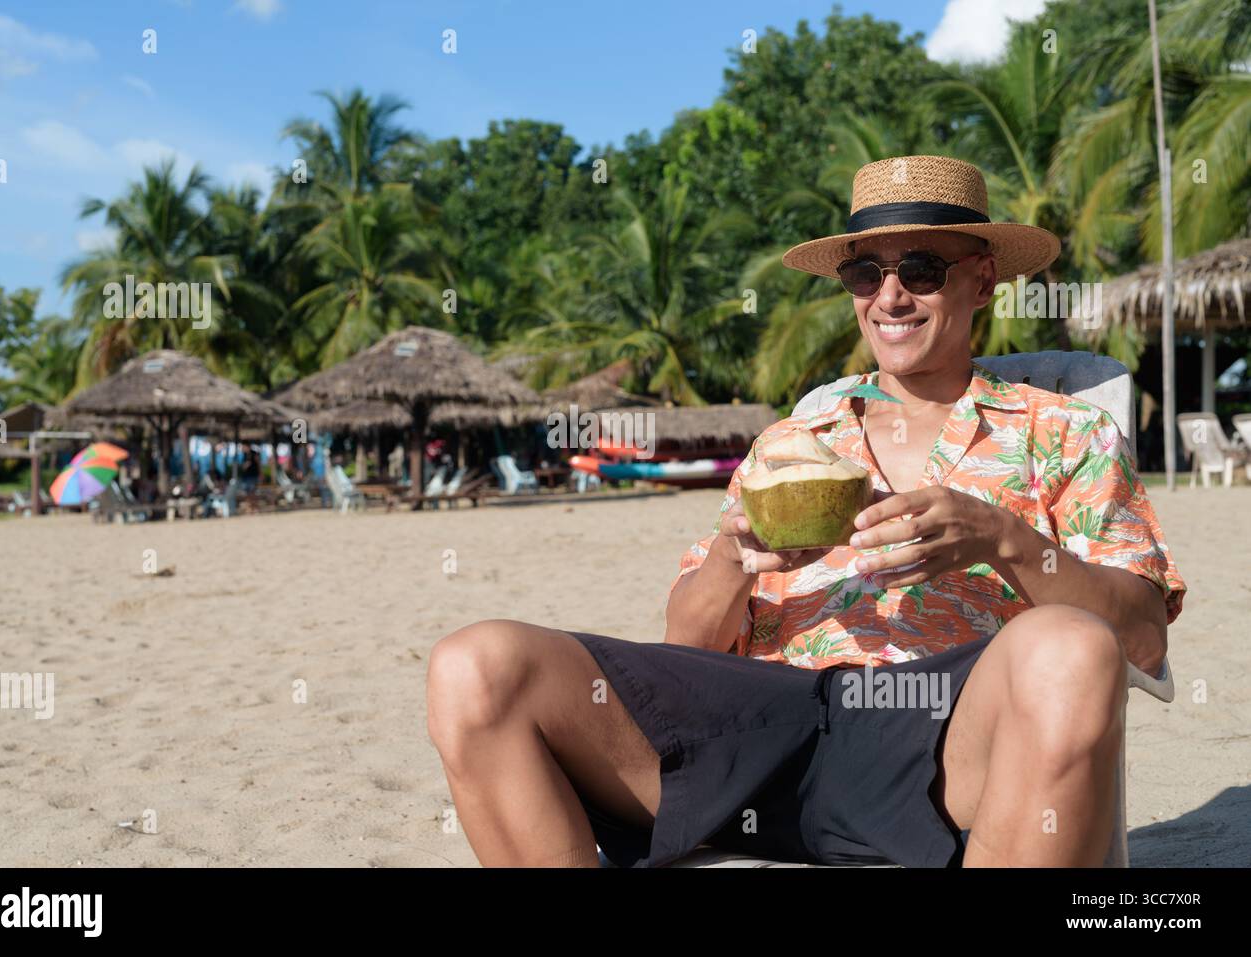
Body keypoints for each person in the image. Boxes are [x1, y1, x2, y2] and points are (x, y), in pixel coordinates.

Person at [427, 155, 1186, 868]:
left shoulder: (1064, 432)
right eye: (866, 273)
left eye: (920, 269)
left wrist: (1004, 538)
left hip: (939, 735)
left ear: (983, 280)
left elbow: (1141, 638)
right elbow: (686, 645)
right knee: (475, 668)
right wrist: (734, 559)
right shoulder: (793, 441)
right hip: (764, 728)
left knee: (1071, 647)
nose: (890, 297)